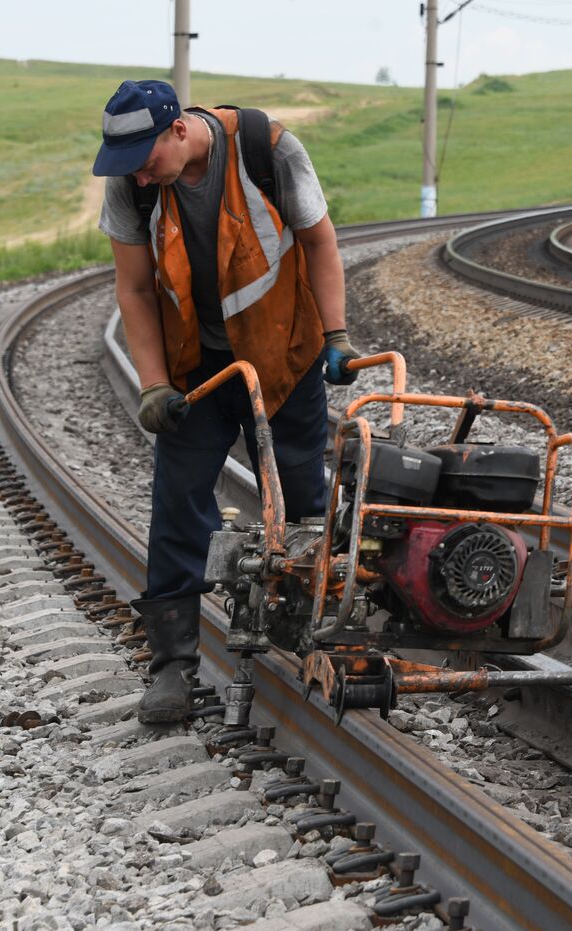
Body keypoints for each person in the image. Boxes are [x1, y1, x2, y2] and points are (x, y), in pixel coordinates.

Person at [93, 79, 358, 723]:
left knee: (301, 494)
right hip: (199, 368)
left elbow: (319, 240)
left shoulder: (269, 150)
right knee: (179, 499)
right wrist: (154, 382)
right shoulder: (132, 180)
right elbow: (134, 289)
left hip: (281, 354)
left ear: (178, 130)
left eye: (149, 161)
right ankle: (173, 666)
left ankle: (319, 633)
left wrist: (337, 334)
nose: (143, 177)